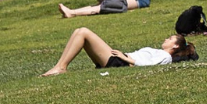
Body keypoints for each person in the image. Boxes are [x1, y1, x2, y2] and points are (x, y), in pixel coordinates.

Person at [41, 27, 196, 76]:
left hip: (120, 62)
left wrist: (125, 58)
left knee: (83, 32)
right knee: (79, 32)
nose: (166, 39)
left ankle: (61, 67)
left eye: (170, 39)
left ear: (175, 46)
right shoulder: (160, 52)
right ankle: (61, 65)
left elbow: (147, 65)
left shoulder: (165, 56)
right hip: (120, 59)